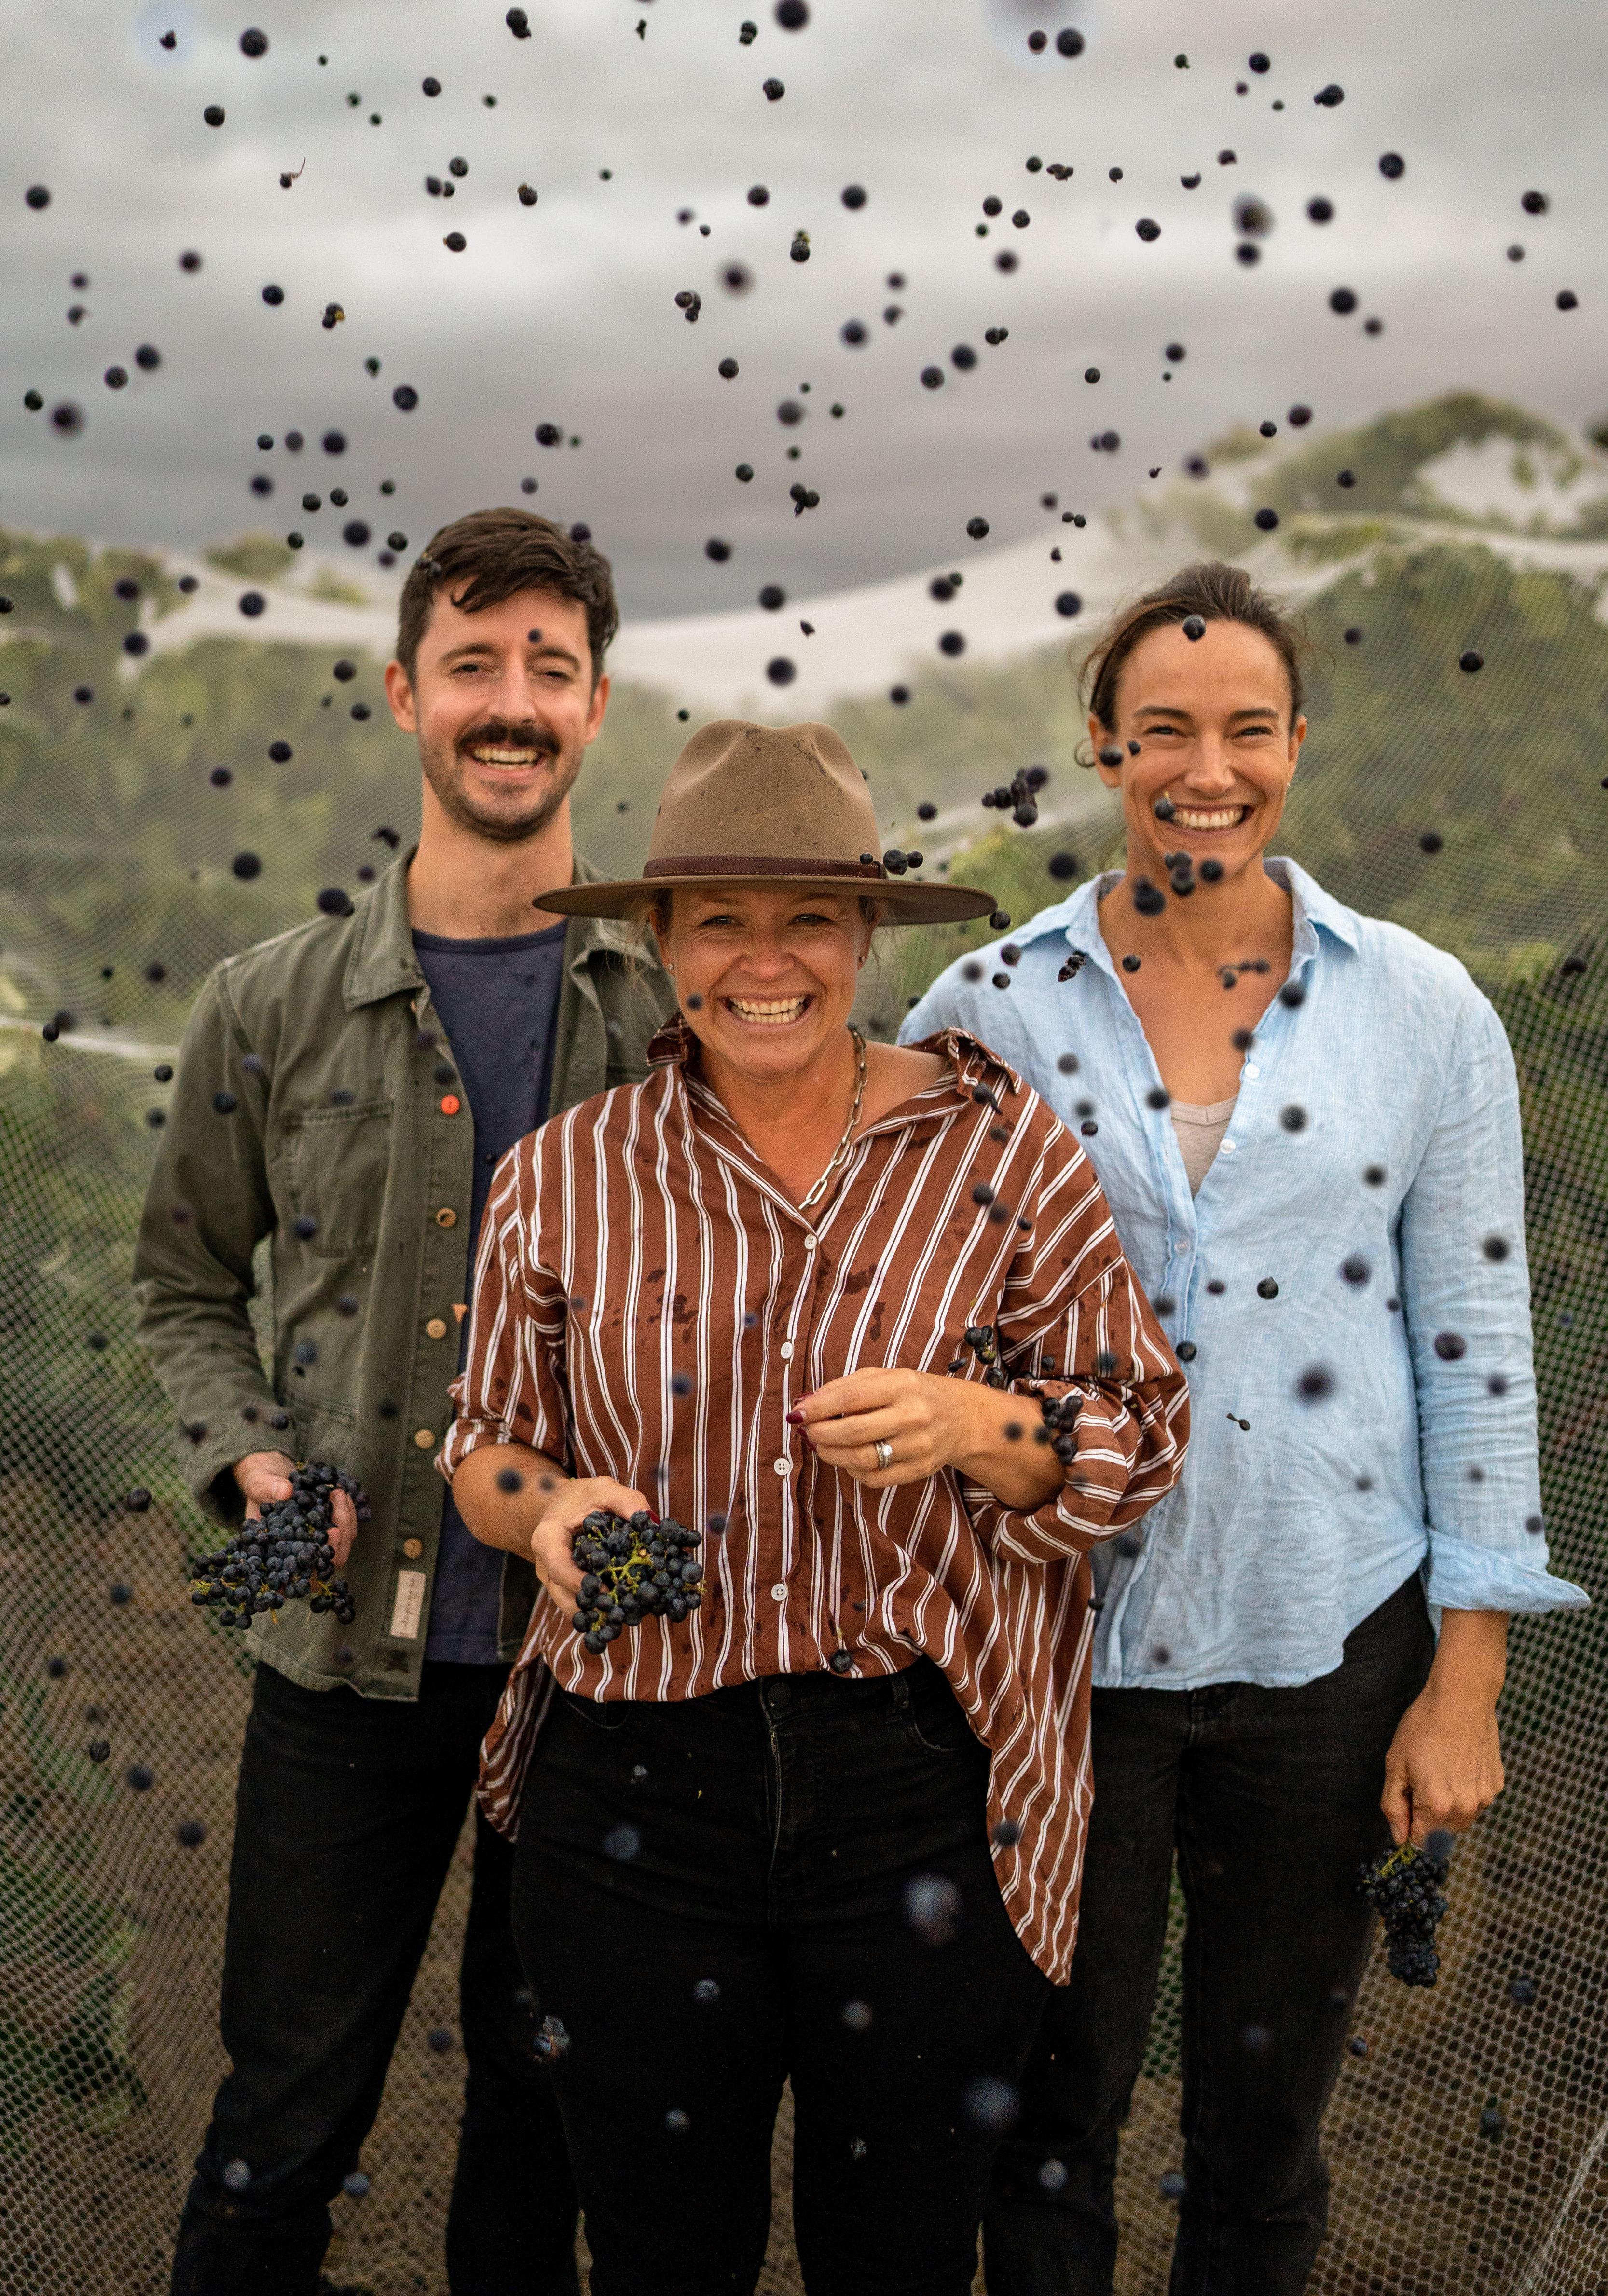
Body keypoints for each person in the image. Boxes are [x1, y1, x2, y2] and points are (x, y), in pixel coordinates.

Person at [902, 559, 1589, 2296]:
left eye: (1247, 730)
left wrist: (1466, 1679)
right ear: (1102, 745)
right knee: (1049, 2118)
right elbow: (898, 1293)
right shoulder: (988, 1007)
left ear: (1296, 743)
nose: (1208, 767)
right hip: (1067, 1652)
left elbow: (1475, 1337)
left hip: (1330, 1637)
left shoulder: (1421, 1010)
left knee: (1264, 2135)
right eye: (1165, 731)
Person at [441, 718, 1189, 2296]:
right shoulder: (565, 1177)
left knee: (903, 2253)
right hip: (635, 1787)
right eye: (719, 918)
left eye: (808, 921)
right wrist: (552, 1517)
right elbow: (487, 1443)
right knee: (657, 2250)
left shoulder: (999, 1149)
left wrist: (976, 1421)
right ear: (658, 938)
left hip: (916, 1780)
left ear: (864, 936)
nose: (763, 961)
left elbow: (1140, 1429)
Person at [134, 507, 672, 2296]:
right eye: (472, 665)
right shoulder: (271, 1008)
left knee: (541, 2136)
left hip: (594, 1675)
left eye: (548, 669)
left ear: (597, 704)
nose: (508, 704)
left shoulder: (678, 1012)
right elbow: (184, 1285)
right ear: (402, 697)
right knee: (284, 2122)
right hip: (341, 1665)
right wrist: (251, 1465)